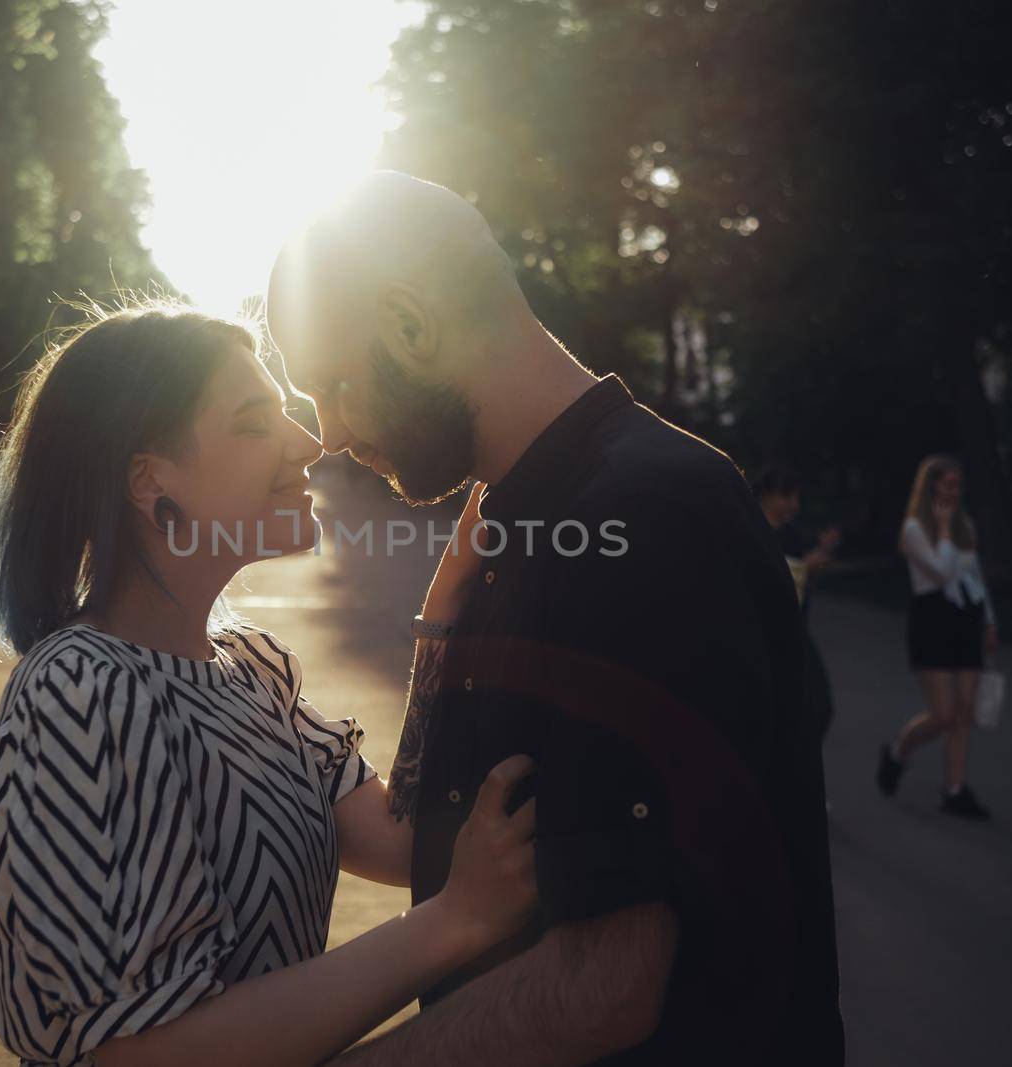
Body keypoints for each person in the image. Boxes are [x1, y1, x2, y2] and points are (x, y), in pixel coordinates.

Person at [266, 172, 843, 1065]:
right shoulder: (534, 513)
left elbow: (607, 982)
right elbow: (438, 823)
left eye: (333, 383)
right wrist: (436, 625)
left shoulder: (642, 515)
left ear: (412, 326)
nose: (329, 431)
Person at [0, 302, 541, 1067]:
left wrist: (443, 615)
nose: (307, 444)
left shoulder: (250, 667)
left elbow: (406, 837)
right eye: (253, 420)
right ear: (149, 478)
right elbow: (146, 1052)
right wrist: (452, 923)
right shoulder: (81, 694)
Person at [874, 454, 998, 819]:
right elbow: (943, 573)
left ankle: (955, 790)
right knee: (942, 714)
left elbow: (974, 578)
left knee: (962, 714)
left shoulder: (966, 527)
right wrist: (943, 529)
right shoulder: (914, 529)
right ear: (931, 487)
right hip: (933, 621)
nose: (955, 492)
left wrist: (990, 623)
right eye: (948, 484)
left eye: (959, 485)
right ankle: (897, 752)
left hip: (967, 619)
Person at [753, 463, 842, 742]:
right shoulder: (752, 529)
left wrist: (819, 557)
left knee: (817, 706)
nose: (793, 504)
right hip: (765, 632)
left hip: (796, 627)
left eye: (795, 497)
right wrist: (805, 564)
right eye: (786, 496)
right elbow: (767, 579)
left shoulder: (793, 533)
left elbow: (802, 583)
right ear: (766, 495)